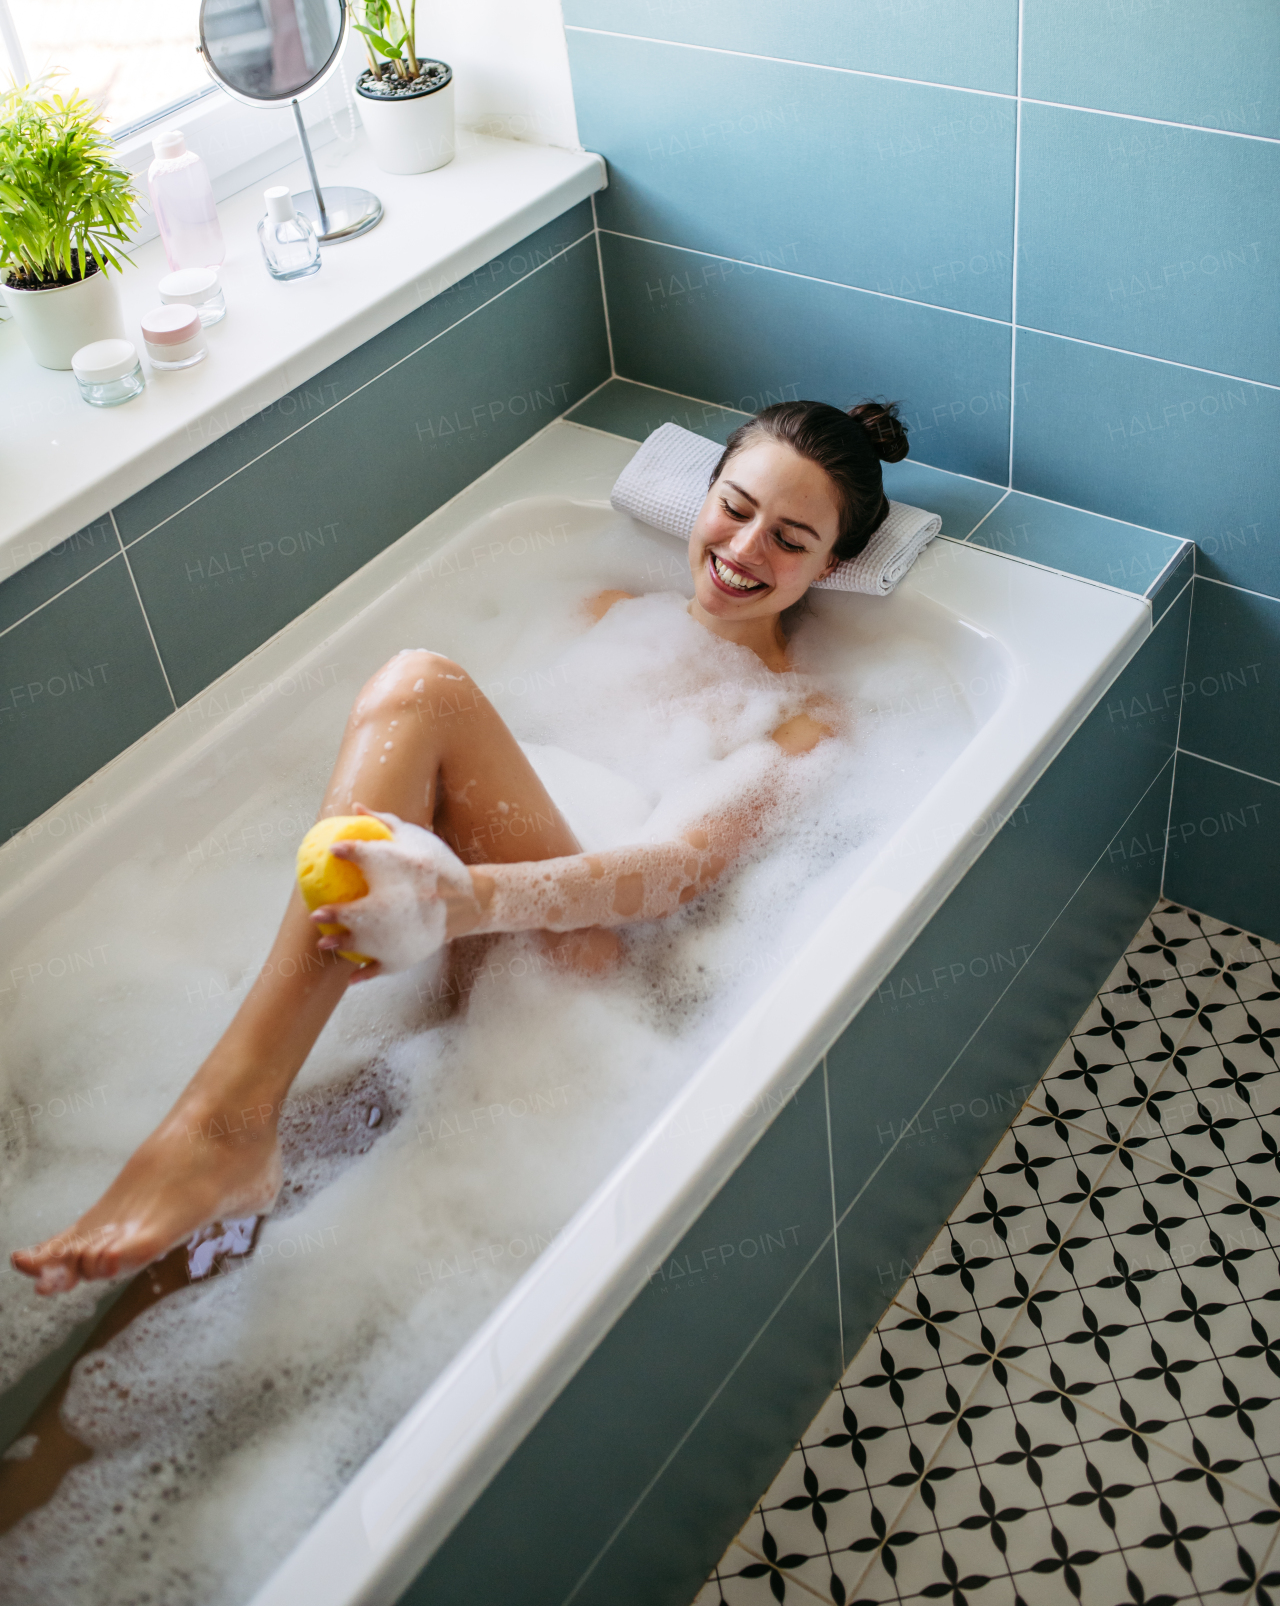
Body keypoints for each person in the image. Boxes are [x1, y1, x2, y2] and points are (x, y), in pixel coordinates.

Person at [12, 398, 908, 1295]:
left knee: (419, 686)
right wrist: (431, 890)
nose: (747, 548)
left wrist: (464, 899)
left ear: (832, 563)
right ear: (706, 490)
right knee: (226, 1232)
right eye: (737, 506)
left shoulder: (802, 719)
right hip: (436, 934)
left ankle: (218, 1122)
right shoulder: (603, 609)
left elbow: (672, 872)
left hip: (574, 964)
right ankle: (57, 1428)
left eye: (791, 539)